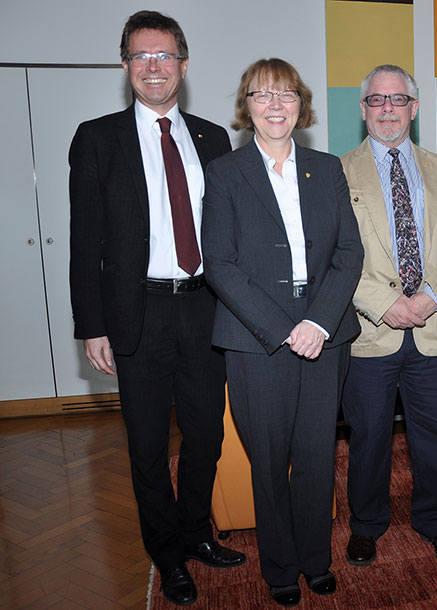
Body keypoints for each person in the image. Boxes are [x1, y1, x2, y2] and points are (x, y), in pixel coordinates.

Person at [68, 10, 245, 606]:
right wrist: (91, 325)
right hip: (136, 314)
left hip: (204, 311)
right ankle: (167, 555)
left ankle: (196, 533)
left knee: (206, 437)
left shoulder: (212, 138)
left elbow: (229, 232)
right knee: (147, 447)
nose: (153, 66)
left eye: (164, 55)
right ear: (125, 66)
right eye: (141, 56)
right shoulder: (97, 138)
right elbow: (84, 239)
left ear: (183, 66)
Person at [201, 58, 363, 606]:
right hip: (256, 339)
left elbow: (349, 252)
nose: (275, 105)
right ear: (246, 106)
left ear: (301, 105)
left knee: (317, 456)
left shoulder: (327, 168)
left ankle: (316, 561)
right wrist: (284, 328)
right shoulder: (225, 172)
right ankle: (279, 569)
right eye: (262, 94)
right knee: (268, 461)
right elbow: (219, 263)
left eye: (286, 94)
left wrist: (316, 322)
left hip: (325, 330)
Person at [340, 65, 437, 566]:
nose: (387, 109)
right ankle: (367, 524)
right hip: (369, 332)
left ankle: (435, 521)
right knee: (369, 436)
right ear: (363, 110)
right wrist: (385, 303)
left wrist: (430, 298)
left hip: (434, 327)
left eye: (397, 99)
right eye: (376, 100)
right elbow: (333, 253)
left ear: (414, 108)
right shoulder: (338, 172)